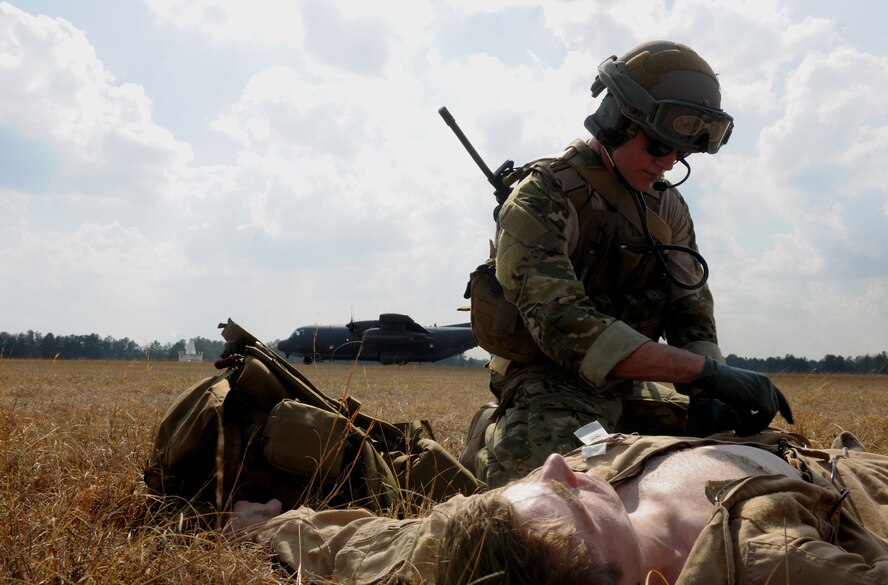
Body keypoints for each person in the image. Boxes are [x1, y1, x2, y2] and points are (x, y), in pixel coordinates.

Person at [470, 40, 793, 487]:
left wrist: (707, 392)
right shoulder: (542, 197)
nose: (667, 164)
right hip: (548, 378)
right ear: (615, 123)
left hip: (630, 383)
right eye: (659, 146)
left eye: (680, 153)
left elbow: (690, 313)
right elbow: (564, 326)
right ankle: (492, 432)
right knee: (549, 486)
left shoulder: (667, 209)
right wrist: (705, 372)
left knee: (747, 454)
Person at [233, 430, 888, 585]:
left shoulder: (464, 547)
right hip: (822, 464)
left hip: (657, 432)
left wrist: (268, 523)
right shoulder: (764, 554)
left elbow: (368, 544)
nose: (554, 466)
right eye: (568, 499)